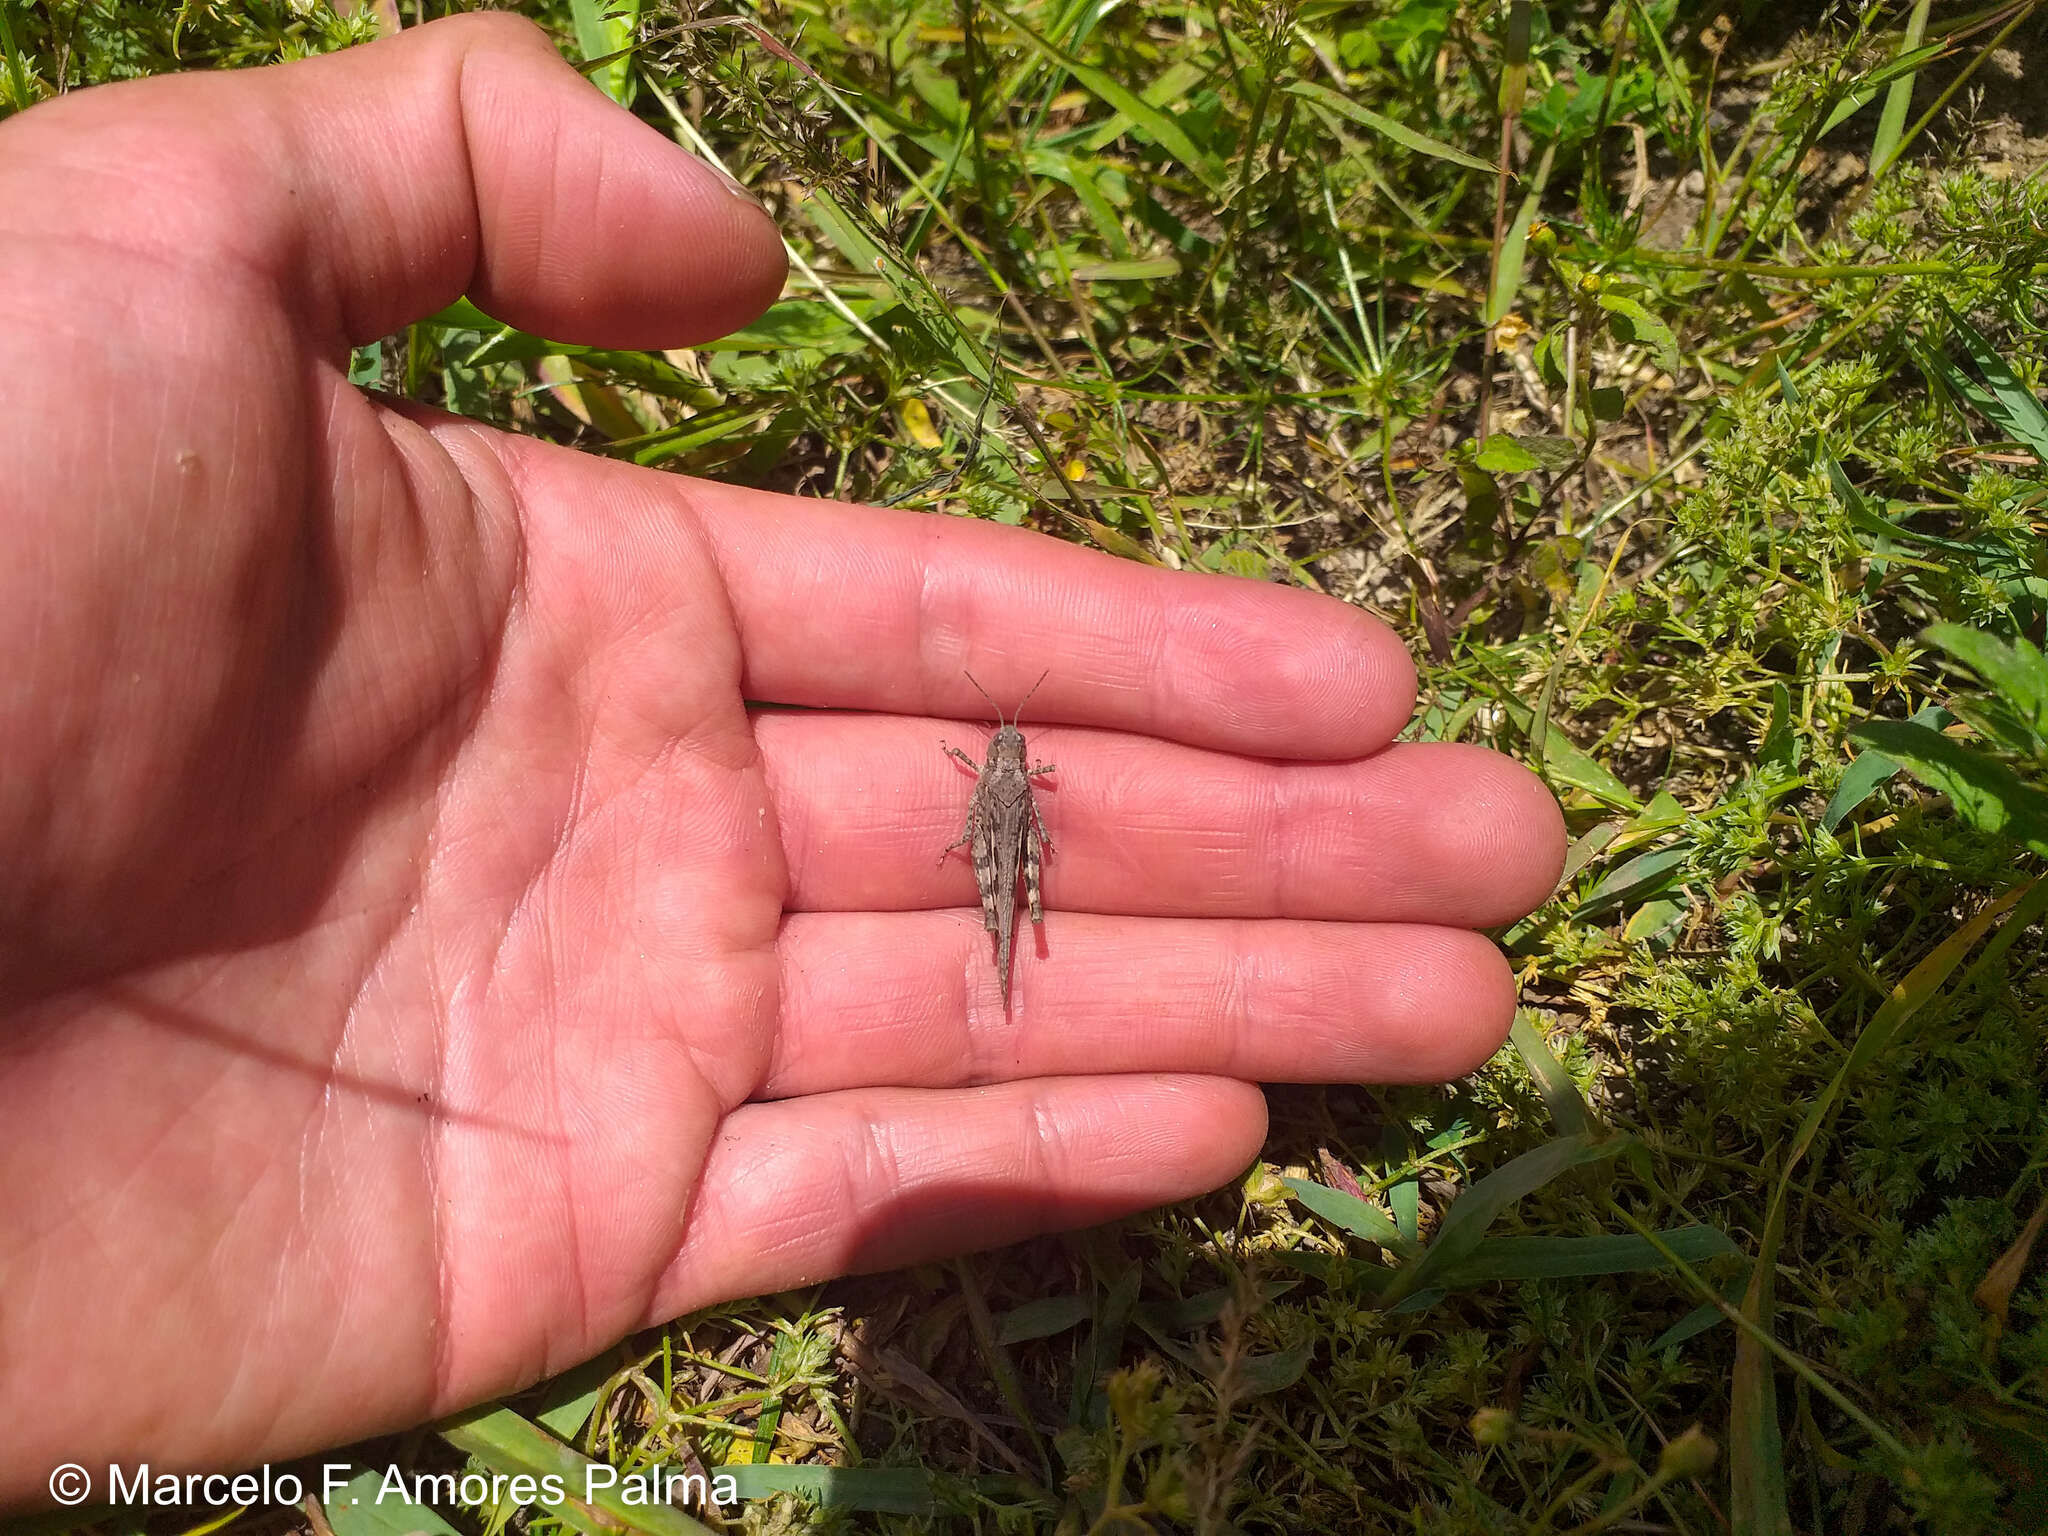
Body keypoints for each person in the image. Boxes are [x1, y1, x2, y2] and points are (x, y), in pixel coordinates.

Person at [0, 12, 1564, 1507]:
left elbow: (1016, 808)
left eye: (1004, 742)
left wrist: (1002, 814)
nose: (1005, 753)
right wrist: (991, 812)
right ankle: (1007, 955)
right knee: (1000, 894)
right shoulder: (995, 770)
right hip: (981, 848)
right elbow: (998, 803)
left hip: (1010, 844)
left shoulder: (1009, 776)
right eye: (1000, 741)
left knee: (1017, 891)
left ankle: (1011, 958)